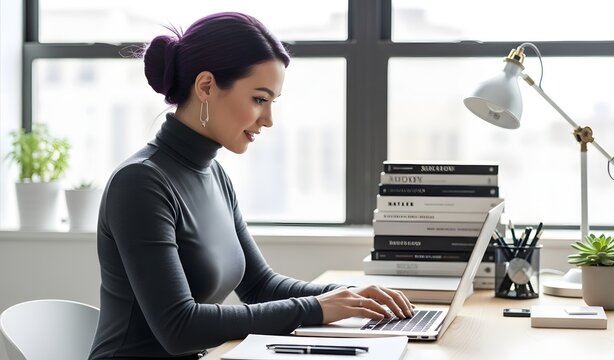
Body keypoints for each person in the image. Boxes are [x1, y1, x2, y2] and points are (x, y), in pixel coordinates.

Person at [88, 12, 413, 360]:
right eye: (259, 99)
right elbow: (180, 328)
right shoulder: (140, 183)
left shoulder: (214, 175)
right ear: (206, 87)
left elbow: (261, 287)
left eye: (273, 102)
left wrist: (349, 295)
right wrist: (317, 308)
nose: (269, 119)